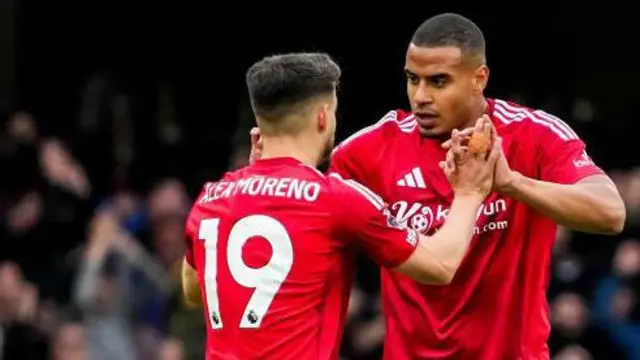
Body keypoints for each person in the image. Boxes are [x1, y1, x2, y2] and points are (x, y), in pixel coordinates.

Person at [244, 13, 627, 360]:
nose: (421, 97)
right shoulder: (371, 148)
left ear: (479, 79)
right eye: (413, 79)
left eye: (438, 81)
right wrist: (267, 176)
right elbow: (296, 202)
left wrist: (511, 183)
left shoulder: (534, 134)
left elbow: (610, 213)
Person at [181, 52, 501, 359]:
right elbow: (441, 266)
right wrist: (470, 191)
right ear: (322, 116)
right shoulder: (335, 198)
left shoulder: (213, 196)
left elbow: (194, 290)